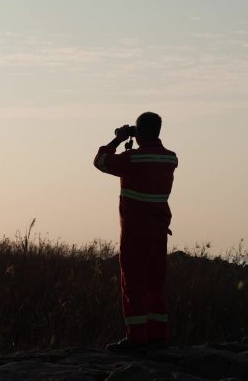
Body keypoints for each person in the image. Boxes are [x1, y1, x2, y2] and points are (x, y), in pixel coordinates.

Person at [93, 112, 178, 351]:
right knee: (155, 282)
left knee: (133, 283)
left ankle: (136, 338)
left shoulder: (133, 159)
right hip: (159, 230)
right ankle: (158, 336)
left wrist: (118, 140)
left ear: (139, 132)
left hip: (135, 231)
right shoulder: (170, 158)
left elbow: (100, 161)